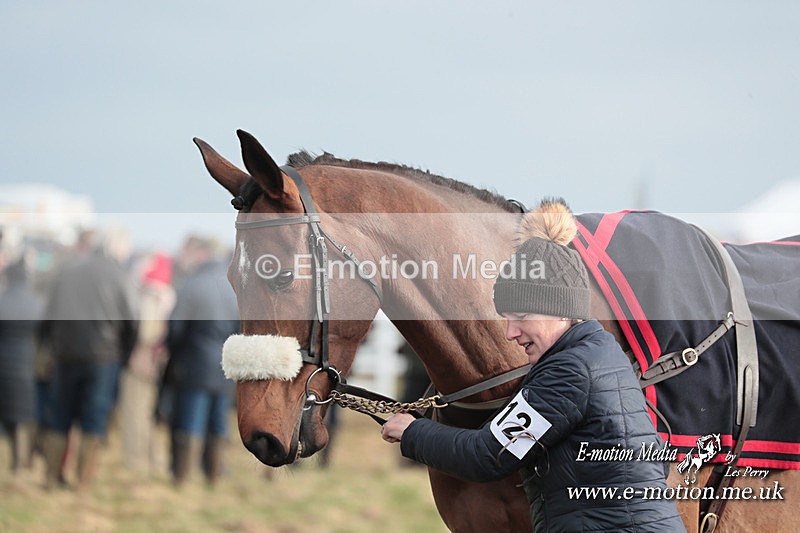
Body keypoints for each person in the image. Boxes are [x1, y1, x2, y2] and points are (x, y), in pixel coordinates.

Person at [381, 199, 685, 532]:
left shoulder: (568, 373)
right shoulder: (599, 353)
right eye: (507, 319)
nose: (511, 333)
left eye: (522, 317)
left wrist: (412, 432)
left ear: (560, 310)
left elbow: (488, 455)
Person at [39, 229, 138, 490]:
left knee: (60, 414)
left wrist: (50, 347)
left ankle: (51, 477)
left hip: (65, 354)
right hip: (103, 358)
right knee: (94, 418)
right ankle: (83, 482)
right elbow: (133, 322)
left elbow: (47, 316)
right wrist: (125, 354)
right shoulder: (119, 275)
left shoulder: (66, 270)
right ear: (116, 249)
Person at [165, 236, 238, 486]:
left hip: (194, 362)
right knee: (218, 421)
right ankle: (214, 476)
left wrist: (174, 352)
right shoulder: (233, 287)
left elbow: (175, 327)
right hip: (225, 365)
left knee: (191, 420)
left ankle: (183, 477)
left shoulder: (192, 284)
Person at [117, 251, 175, 474]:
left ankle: (136, 460)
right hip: (158, 361)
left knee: (135, 410)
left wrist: (140, 352)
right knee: (152, 412)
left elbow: (147, 332)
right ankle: (152, 458)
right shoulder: (168, 294)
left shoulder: (150, 295)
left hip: (142, 360)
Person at [0, 257, 43, 474]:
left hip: (4, 363)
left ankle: (17, 460)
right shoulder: (37, 304)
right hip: (26, 365)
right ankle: (22, 460)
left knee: (8, 416)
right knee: (23, 415)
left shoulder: (2, 300)